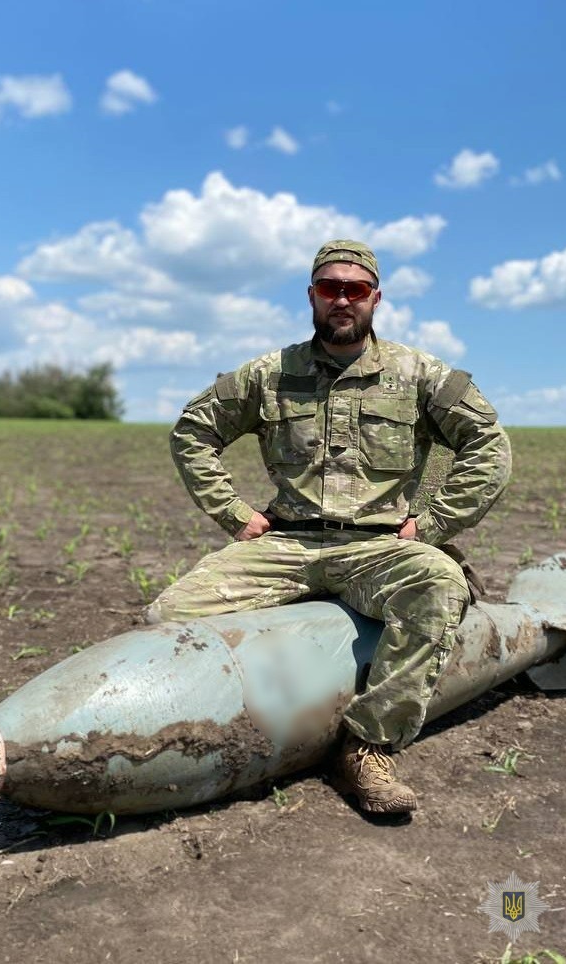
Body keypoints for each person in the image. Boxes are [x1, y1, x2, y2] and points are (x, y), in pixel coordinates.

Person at [147, 240, 511, 814]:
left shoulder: (418, 374)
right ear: (312, 296)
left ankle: (367, 747)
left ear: (375, 298)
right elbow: (193, 430)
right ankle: (215, 733)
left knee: (439, 585)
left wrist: (433, 525)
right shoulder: (270, 374)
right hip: (286, 542)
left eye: (355, 289)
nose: (342, 299)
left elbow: (488, 447)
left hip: (378, 546)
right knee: (168, 618)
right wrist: (236, 516)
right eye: (329, 288)